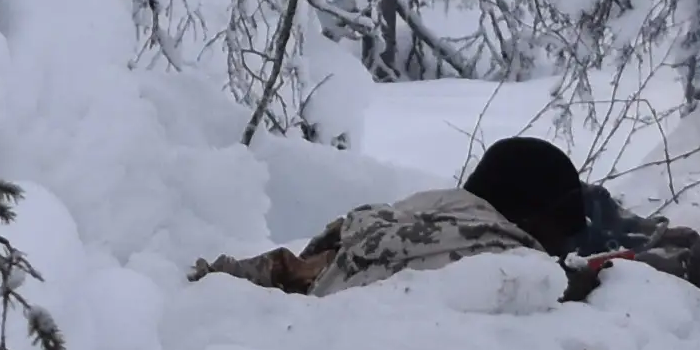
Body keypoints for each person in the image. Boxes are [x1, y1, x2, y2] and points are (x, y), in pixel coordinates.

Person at [201, 134, 598, 294]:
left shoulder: (426, 209)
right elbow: (526, 293)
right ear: (531, 216)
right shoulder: (490, 252)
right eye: (561, 229)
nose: (563, 243)